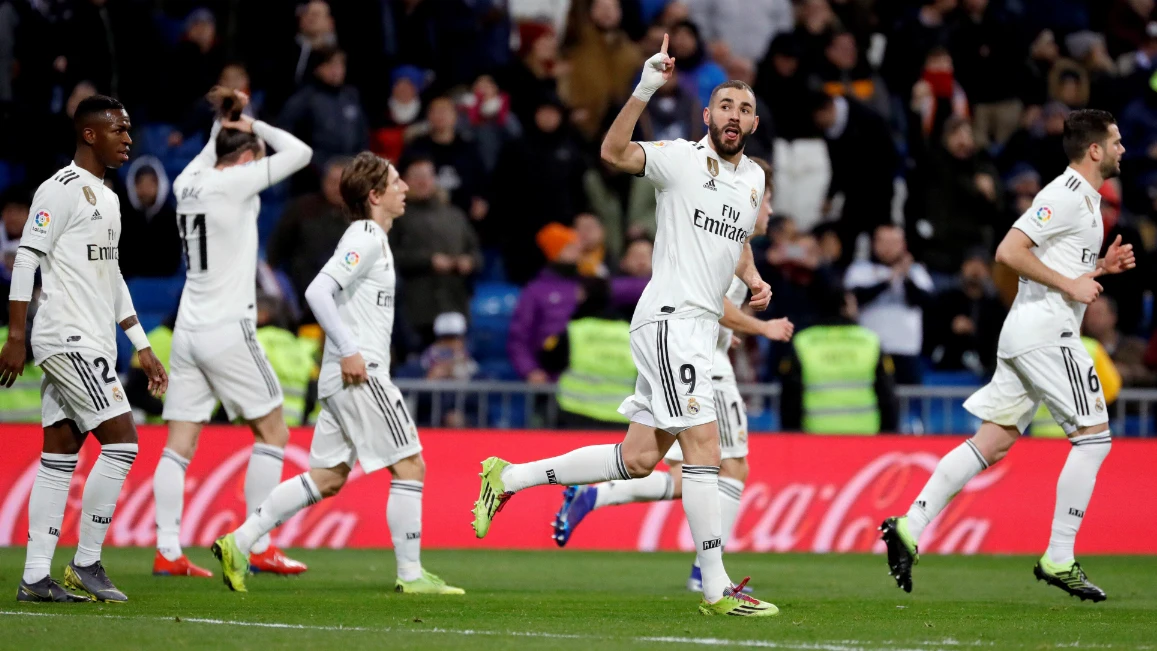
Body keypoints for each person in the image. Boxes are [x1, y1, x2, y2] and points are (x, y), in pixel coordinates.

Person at [471, 36, 780, 617]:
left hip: (693, 326)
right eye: (724, 106)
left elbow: (731, 241)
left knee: (638, 460)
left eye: (743, 109)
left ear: (753, 122)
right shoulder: (680, 157)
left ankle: (507, 477)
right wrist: (644, 86)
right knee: (706, 450)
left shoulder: (753, 182)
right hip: (669, 321)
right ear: (707, 114)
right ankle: (715, 589)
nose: (732, 116)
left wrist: (754, 277)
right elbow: (613, 153)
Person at [881, 110, 1135, 603]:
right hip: (1046, 335)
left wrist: (1099, 268)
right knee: (1094, 439)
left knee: (992, 443)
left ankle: (909, 526)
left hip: (1028, 333)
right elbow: (1009, 251)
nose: (1124, 149)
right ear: (1095, 150)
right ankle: (1059, 556)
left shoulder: (1085, 201)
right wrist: (1071, 284)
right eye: (1117, 141)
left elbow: (1062, 269)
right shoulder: (1062, 195)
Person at [211, 151, 464, 596]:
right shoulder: (365, 234)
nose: (405, 188)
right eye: (396, 181)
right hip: (359, 373)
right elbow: (318, 290)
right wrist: (349, 351)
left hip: (340, 377)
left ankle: (240, 541)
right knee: (410, 465)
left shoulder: (372, 237)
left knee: (328, 477)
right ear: (375, 195)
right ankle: (410, 575)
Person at [550, 159, 794, 597]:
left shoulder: (736, 243)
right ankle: (706, 571)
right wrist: (761, 327)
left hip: (694, 355)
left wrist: (732, 328)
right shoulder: (725, 234)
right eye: (767, 200)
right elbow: (713, 298)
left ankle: (598, 496)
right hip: (704, 366)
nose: (769, 212)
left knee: (670, 467)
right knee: (730, 468)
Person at [1, 95, 168, 602]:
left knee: (60, 455)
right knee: (122, 443)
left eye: (129, 129)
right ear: (90, 134)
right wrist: (16, 335)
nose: (128, 139)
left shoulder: (110, 197)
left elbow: (112, 275)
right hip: (65, 336)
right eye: (119, 129)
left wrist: (141, 345)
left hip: (95, 338)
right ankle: (88, 562)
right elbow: (26, 258)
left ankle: (34, 578)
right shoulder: (59, 189)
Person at [151, 88, 313, 579]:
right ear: (246, 159)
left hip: (188, 332)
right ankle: (258, 544)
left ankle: (167, 551)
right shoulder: (236, 182)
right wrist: (255, 125)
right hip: (227, 328)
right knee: (273, 431)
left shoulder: (187, 181)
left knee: (178, 443)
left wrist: (225, 121)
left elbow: (209, 152)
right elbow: (301, 153)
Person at [389, 156, 483, 347]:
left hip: (454, 303)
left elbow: (476, 253)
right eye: (416, 176)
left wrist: (469, 261)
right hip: (415, 309)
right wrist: (428, 261)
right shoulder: (395, 215)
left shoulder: (454, 215)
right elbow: (389, 256)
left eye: (427, 176)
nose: (423, 181)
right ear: (404, 181)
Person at [780, 288, 900, 434]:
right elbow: (887, 396)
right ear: (845, 308)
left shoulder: (803, 342)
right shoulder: (870, 341)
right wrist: (888, 437)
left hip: (815, 438)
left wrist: (794, 438)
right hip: (865, 438)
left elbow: (790, 400)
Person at [844, 225, 934, 385]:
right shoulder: (860, 270)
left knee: (909, 401)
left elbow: (925, 302)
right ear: (874, 244)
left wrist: (905, 277)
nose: (888, 247)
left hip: (906, 350)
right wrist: (889, 279)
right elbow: (855, 298)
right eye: (883, 241)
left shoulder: (916, 271)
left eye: (894, 242)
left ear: (903, 245)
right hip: (869, 349)